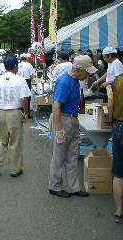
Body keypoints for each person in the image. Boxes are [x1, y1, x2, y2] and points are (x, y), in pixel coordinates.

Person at [49, 55, 97, 198]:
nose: (88, 75)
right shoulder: (65, 82)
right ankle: (55, 185)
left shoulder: (75, 80)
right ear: (80, 69)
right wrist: (59, 130)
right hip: (63, 119)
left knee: (72, 155)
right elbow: (56, 107)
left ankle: (72, 187)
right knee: (59, 156)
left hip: (71, 119)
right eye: (87, 72)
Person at [0, 54, 31, 177]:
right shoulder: (20, 80)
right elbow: (24, 99)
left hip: (1, 111)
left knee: (1, 139)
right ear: (14, 66)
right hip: (14, 112)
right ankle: (15, 169)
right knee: (15, 141)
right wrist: (26, 113)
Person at [107, 72, 123, 223]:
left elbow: (110, 105)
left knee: (118, 172)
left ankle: (119, 211)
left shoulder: (117, 80)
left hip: (119, 126)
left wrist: (112, 121)